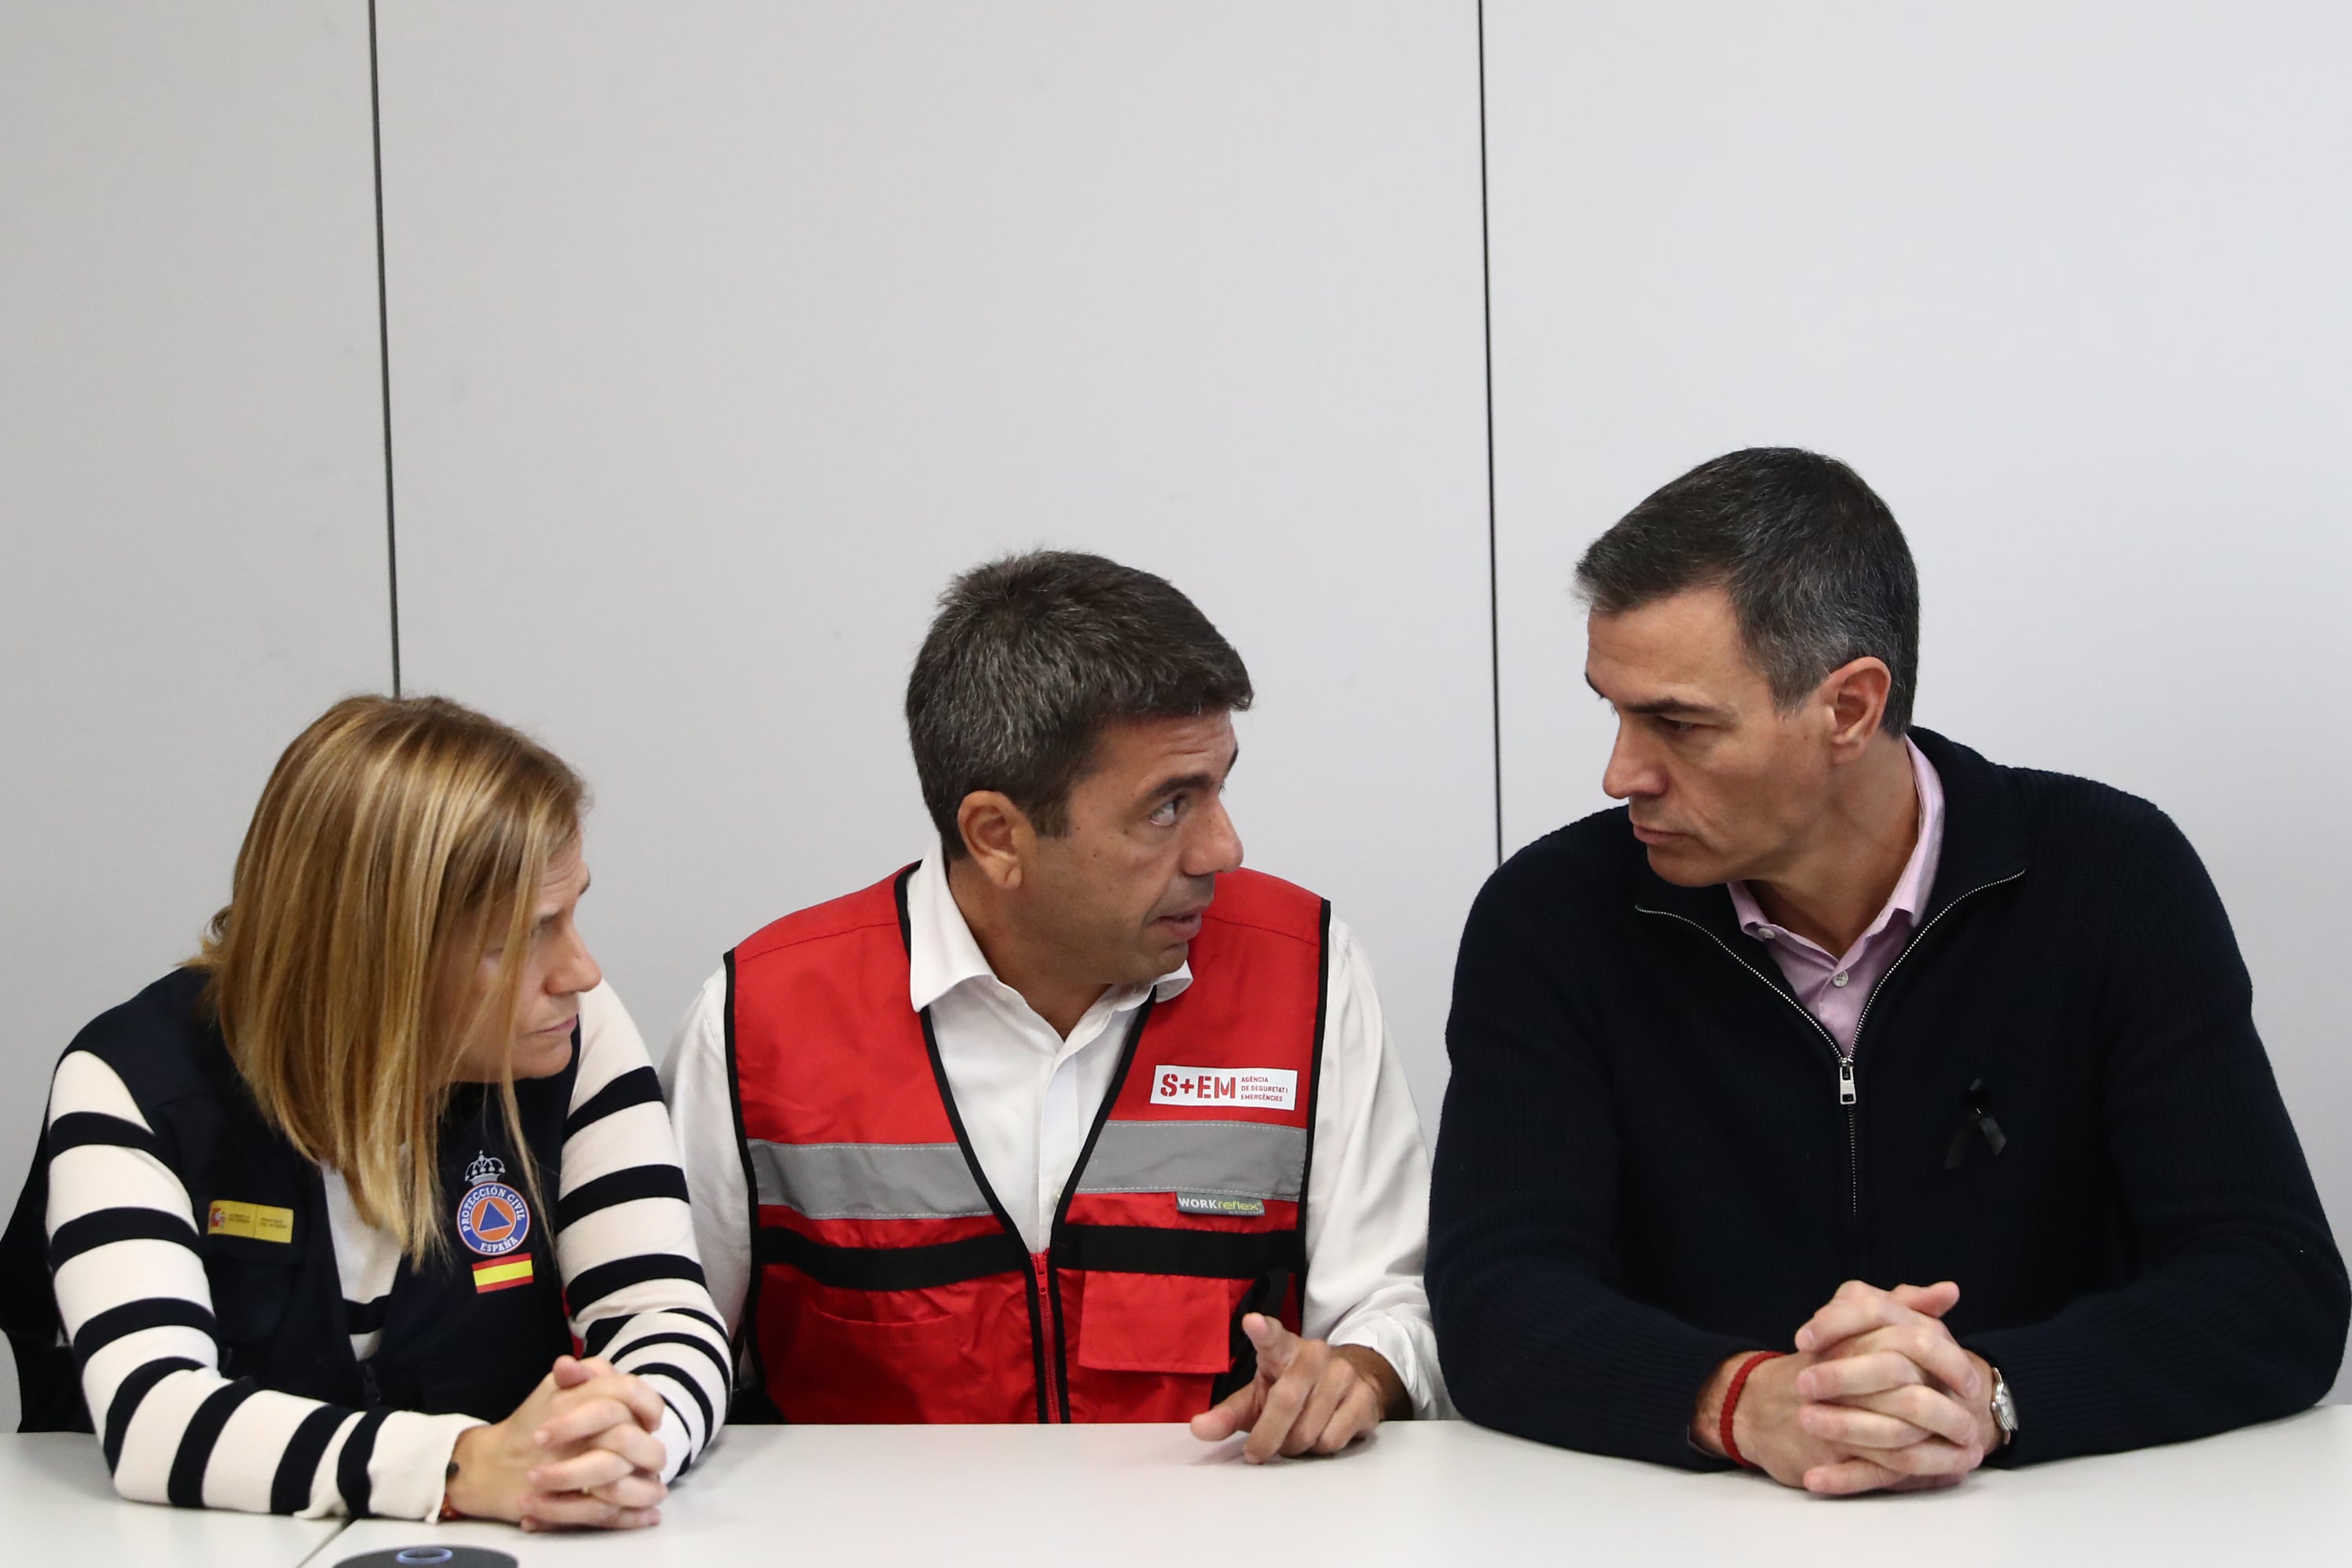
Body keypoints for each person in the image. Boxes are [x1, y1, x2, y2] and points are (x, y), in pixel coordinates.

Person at [1428, 449, 2348, 1493]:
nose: (1621, 773)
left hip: (2060, 1529)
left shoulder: (2112, 879)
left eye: (1677, 724)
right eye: (1614, 710)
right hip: (1683, 1535)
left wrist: (1989, 1397)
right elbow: (1493, 1299)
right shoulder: (1550, 917)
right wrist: (1744, 1402)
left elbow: (2273, 1288)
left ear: (1850, 708)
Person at [663, 550, 1444, 1458]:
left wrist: (1356, 1366)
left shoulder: (1305, 972)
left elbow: (1394, 1300)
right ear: (998, 836)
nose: (1223, 849)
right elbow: (664, 1350)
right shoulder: (762, 1019)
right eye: (1168, 807)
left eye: (1219, 786)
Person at [0, 696, 729, 1527]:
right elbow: (153, 1417)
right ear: (381, 953)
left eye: (571, 914)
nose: (582, 971)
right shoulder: (134, 1078)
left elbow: (664, 1313)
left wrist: (629, 1445)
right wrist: (459, 1468)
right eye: (525, 934)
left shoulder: (574, 1037)